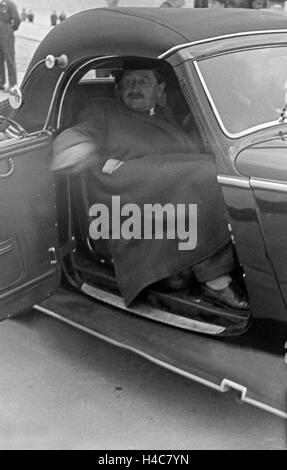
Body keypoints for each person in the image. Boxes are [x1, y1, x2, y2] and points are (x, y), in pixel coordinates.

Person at [52, 59, 249, 310]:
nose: (135, 88)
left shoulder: (165, 116)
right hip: (128, 208)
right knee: (204, 176)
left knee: (219, 169)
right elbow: (82, 132)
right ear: (117, 90)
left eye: (143, 82)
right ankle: (215, 279)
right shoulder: (103, 112)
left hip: (172, 204)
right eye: (128, 82)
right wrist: (74, 146)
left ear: (159, 91)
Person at [0, 0, 20, 92]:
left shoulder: (9, 4)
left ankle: (12, 84)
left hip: (6, 32)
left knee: (9, 58)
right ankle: (1, 82)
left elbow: (17, 19)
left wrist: (11, 29)